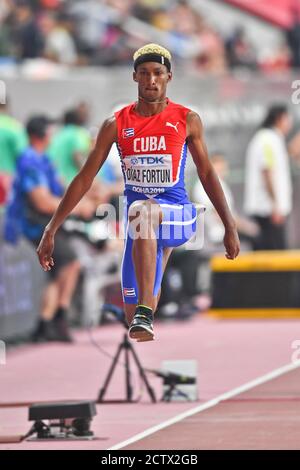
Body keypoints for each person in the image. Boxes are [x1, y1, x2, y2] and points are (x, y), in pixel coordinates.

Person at [37, 43, 240, 342]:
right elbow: (83, 178)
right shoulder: (116, 124)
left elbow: (208, 173)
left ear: (169, 76)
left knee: (145, 212)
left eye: (158, 73)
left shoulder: (187, 120)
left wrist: (229, 225)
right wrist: (51, 228)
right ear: (135, 77)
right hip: (140, 227)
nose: (151, 80)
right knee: (135, 321)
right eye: (144, 73)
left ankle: (148, 298)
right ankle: (144, 305)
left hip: (177, 215)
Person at [4, 115, 95, 342]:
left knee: (61, 269)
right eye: (51, 131)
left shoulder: (44, 159)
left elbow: (62, 189)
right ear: (41, 134)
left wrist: (88, 198)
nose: (54, 134)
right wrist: (77, 208)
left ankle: (47, 322)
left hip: (47, 223)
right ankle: (58, 318)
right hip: (34, 226)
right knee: (71, 262)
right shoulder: (29, 160)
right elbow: (42, 202)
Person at [244, 104, 293, 250]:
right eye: (287, 119)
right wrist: (275, 207)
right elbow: (267, 171)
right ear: (279, 119)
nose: (290, 123)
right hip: (267, 212)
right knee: (274, 260)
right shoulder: (268, 140)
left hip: (269, 211)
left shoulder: (271, 139)